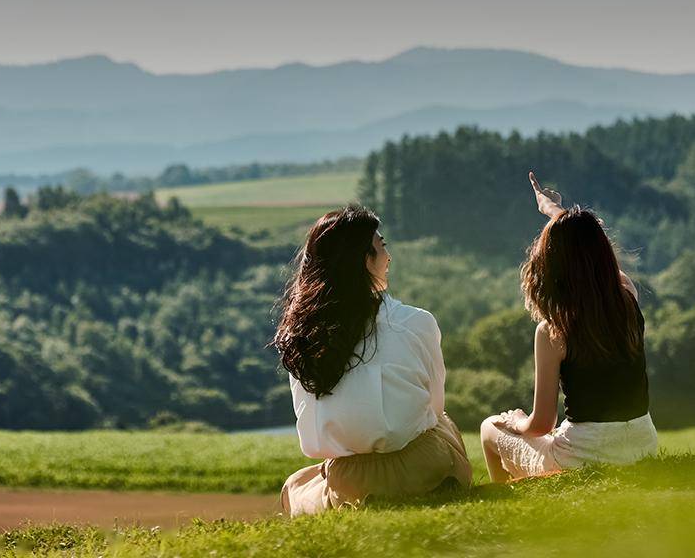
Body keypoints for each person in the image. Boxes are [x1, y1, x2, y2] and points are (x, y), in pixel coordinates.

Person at [275, 205, 471, 516]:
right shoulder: (415, 322)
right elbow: (434, 408)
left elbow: (312, 433)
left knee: (296, 485)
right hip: (425, 468)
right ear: (365, 260)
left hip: (350, 481)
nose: (388, 257)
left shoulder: (302, 338)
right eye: (382, 247)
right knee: (443, 421)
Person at [480, 173, 657, 482]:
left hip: (584, 456)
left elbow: (541, 424)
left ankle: (511, 500)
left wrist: (518, 422)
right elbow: (590, 254)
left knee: (489, 428)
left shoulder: (553, 331)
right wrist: (554, 211)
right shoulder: (627, 297)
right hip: (643, 446)